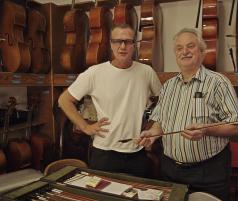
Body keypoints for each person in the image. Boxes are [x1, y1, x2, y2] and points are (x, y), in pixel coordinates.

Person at [137, 28, 238, 201]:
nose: (184, 51)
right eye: (179, 48)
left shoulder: (218, 82)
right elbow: (159, 119)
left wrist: (206, 130)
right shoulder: (168, 86)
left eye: (190, 46)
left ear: (202, 52)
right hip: (170, 170)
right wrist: (153, 133)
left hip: (209, 173)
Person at [58, 23, 162, 177]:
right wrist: (85, 127)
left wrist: (153, 124)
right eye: (117, 41)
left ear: (134, 44)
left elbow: (165, 102)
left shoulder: (146, 72)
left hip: (136, 153)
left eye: (127, 41)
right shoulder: (94, 73)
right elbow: (64, 100)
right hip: (104, 154)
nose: (122, 46)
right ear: (110, 44)